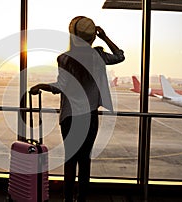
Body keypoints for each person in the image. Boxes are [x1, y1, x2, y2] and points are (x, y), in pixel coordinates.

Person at [30, 16, 125, 202]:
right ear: (92, 37)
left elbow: (61, 86)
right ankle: (81, 198)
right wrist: (105, 37)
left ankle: (67, 198)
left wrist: (42, 85)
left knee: (70, 159)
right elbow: (120, 55)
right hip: (90, 116)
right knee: (85, 160)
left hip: (69, 117)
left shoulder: (64, 59)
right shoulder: (99, 56)